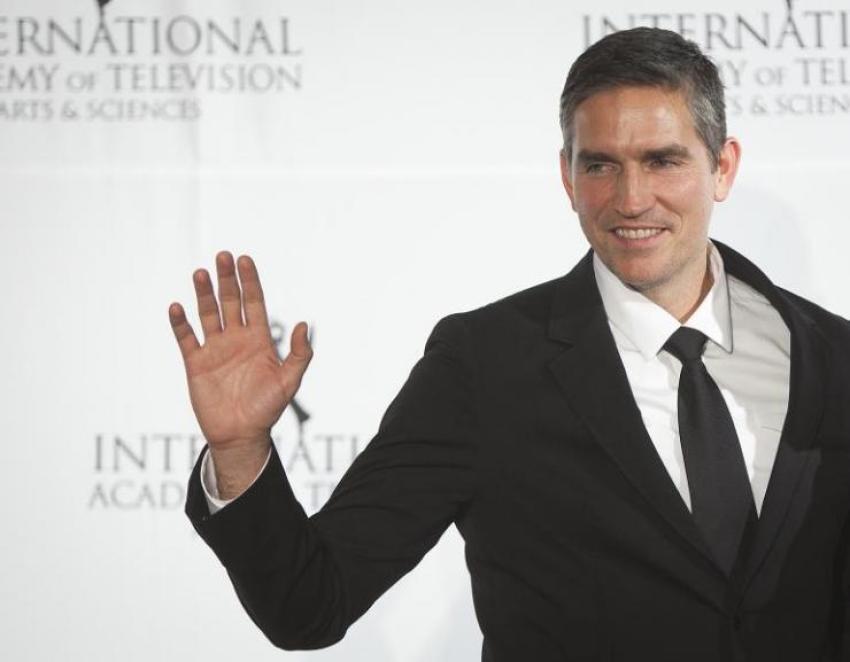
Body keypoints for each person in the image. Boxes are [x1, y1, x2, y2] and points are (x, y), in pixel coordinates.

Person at [169, 27, 850, 661]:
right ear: (567, 176)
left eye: (663, 161)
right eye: (601, 166)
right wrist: (239, 451)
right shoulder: (482, 366)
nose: (631, 198)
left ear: (722, 168)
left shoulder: (832, 358)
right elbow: (308, 604)